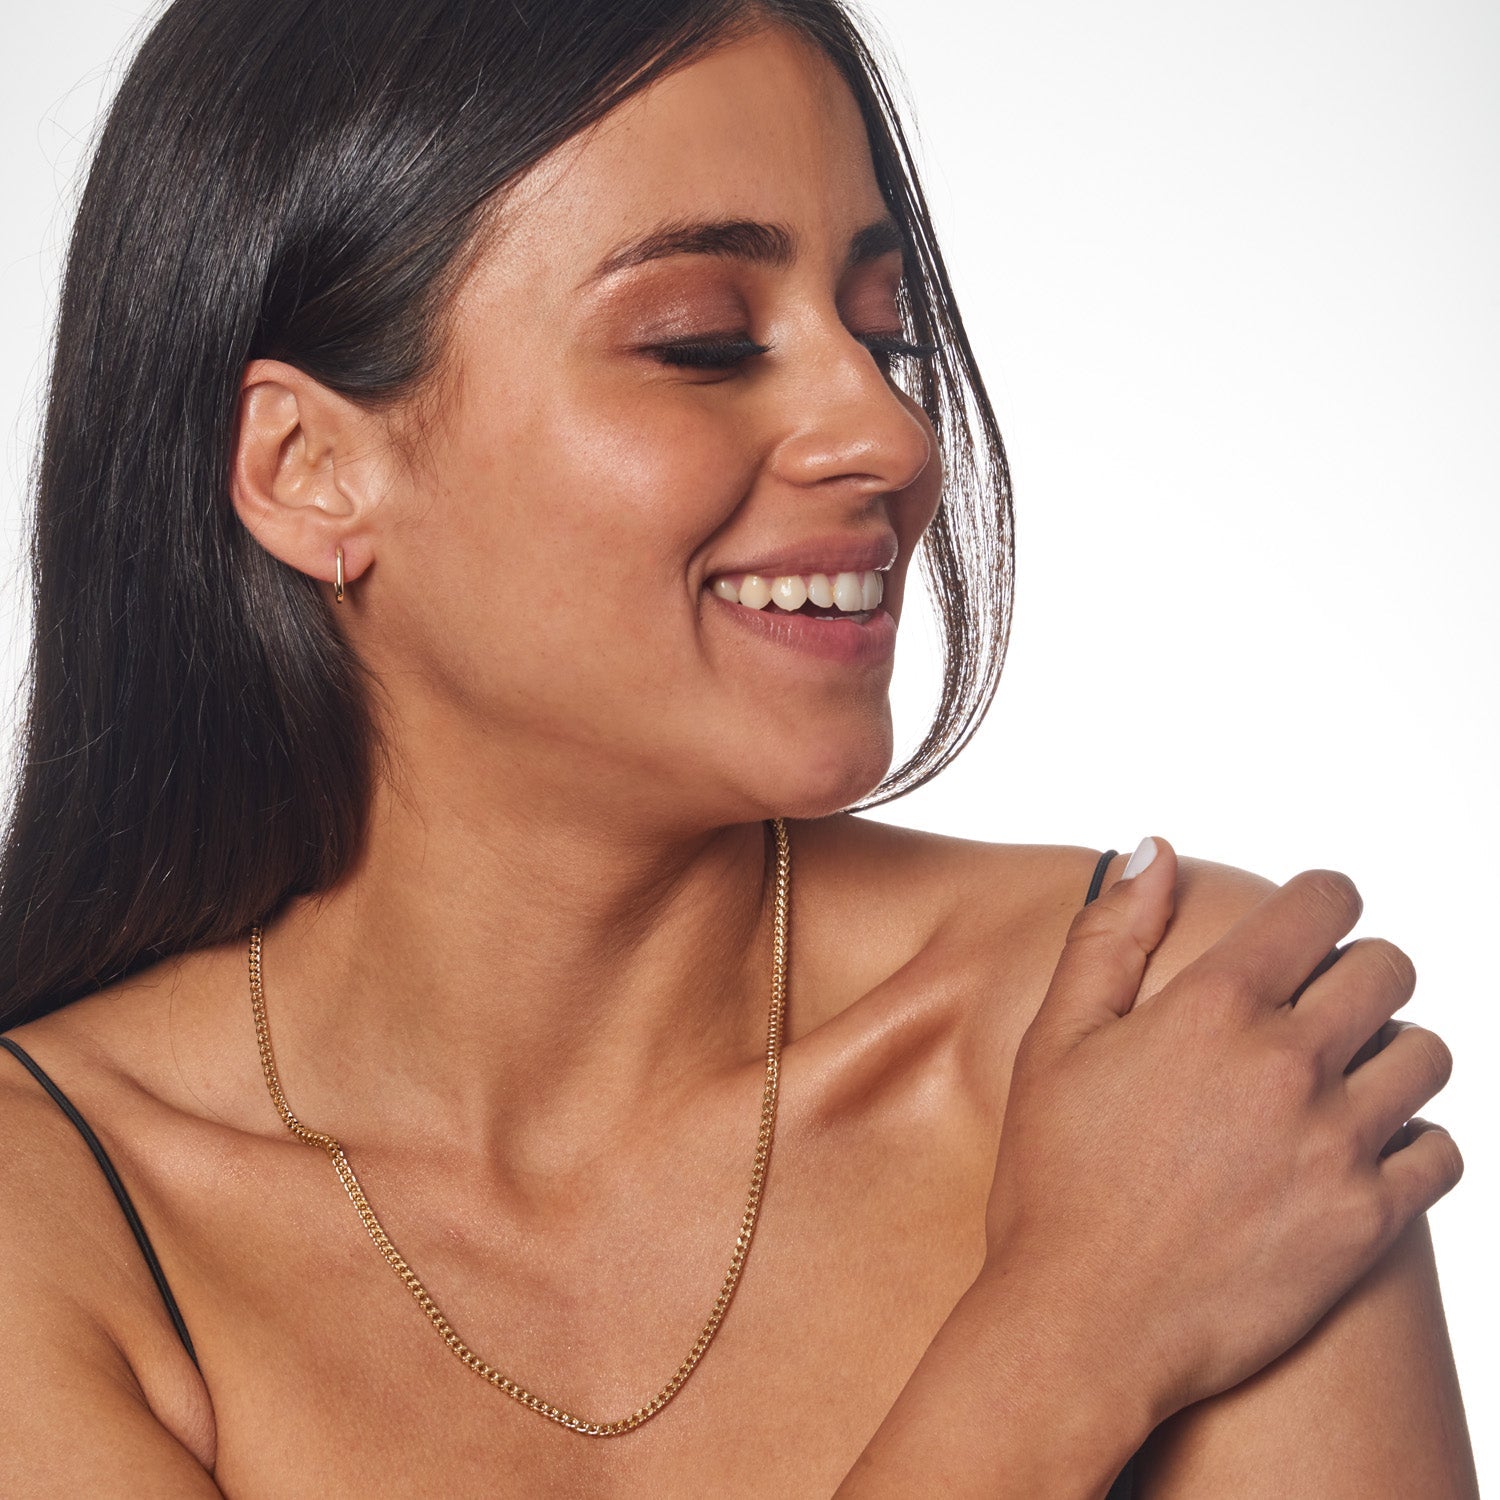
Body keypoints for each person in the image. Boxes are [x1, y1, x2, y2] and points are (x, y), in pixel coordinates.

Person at [0, 1, 1475, 1494]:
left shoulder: (1179, 1038)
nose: (890, 441)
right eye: (701, 344)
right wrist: (1065, 1345)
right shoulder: (49, 1209)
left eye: (884, 336)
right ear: (307, 466)